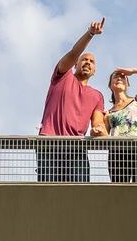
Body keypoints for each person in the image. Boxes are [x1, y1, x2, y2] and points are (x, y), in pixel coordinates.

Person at [36, 18, 106, 181]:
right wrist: (90, 34)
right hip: (49, 144)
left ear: (94, 70)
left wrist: (99, 131)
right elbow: (74, 53)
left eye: (92, 62)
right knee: (49, 191)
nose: (88, 62)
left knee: (79, 193)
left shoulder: (97, 96)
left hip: (77, 148)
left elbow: (98, 124)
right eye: (84, 60)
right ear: (76, 65)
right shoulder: (62, 76)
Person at [95, 65, 137, 182]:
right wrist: (98, 131)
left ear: (127, 84)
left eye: (123, 77)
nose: (119, 78)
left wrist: (133, 71)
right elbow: (104, 138)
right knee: (121, 193)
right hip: (118, 153)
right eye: (116, 76)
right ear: (110, 85)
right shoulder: (108, 114)